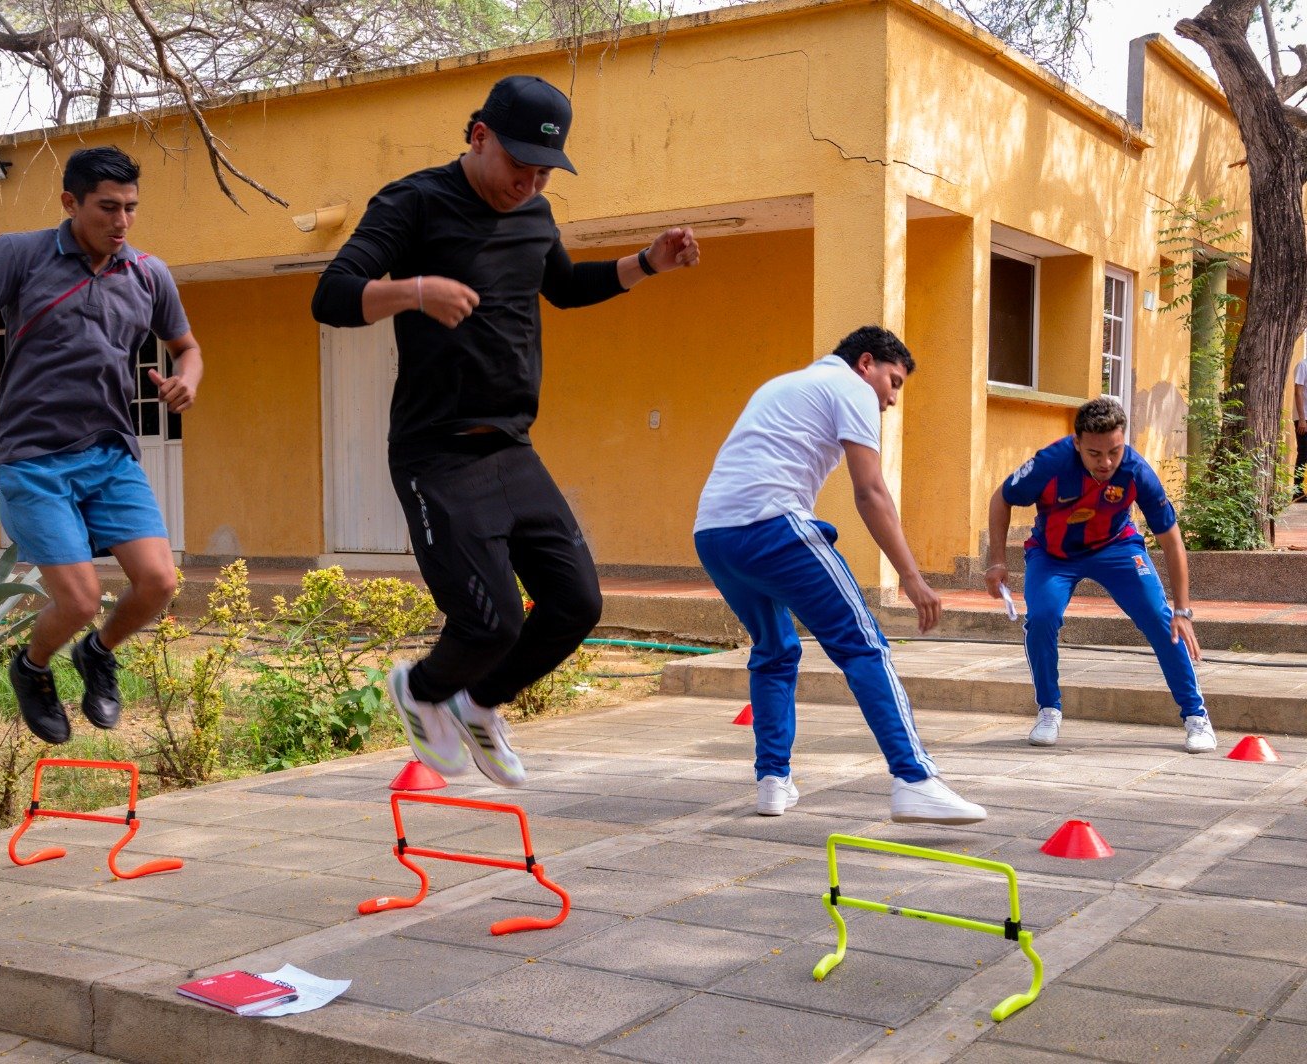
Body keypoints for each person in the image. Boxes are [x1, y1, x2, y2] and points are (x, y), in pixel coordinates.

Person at [311, 75, 699, 787]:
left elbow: (564, 287)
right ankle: (420, 691)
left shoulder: (536, 215)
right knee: (490, 623)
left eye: (544, 171)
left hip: (512, 446)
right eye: (520, 165)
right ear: (479, 136)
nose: (530, 182)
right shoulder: (413, 202)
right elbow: (330, 295)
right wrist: (413, 291)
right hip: (437, 452)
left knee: (577, 603)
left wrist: (647, 264)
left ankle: (479, 703)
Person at [0, 146, 201, 744]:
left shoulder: (148, 273)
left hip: (110, 452)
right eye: (108, 207)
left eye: (130, 207)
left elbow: (187, 347)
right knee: (78, 601)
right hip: (33, 457)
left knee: (159, 582)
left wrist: (188, 380)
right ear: (71, 203)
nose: (122, 221)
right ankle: (31, 667)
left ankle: (97, 653)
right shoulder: (18, 253)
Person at [694, 326, 986, 824]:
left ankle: (773, 780)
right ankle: (914, 779)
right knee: (863, 646)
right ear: (866, 363)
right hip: (772, 528)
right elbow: (870, 491)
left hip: (714, 536)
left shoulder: (786, 384)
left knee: (774, 650)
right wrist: (911, 577)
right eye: (893, 382)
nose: (892, 399)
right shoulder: (851, 387)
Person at [986, 397, 1212, 752]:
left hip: (1116, 547)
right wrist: (997, 560)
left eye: (1114, 452)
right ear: (1077, 443)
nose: (1106, 462)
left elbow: (1172, 540)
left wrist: (1182, 610)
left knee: (1161, 618)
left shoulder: (1136, 471)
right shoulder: (1050, 463)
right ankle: (1048, 710)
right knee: (1042, 617)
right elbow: (1001, 498)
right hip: (1054, 554)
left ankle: (1196, 717)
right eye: (1095, 454)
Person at [1293, 357, 1307, 503]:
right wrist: (1302, 419)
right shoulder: (1303, 365)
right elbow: (1298, 391)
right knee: (1303, 453)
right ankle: (1297, 492)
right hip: (1303, 418)